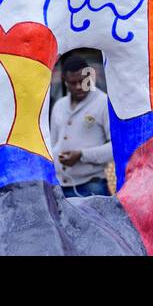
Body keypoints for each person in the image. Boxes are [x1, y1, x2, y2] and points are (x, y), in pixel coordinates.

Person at [48, 54, 113, 198]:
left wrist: (82, 155)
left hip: (92, 187)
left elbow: (116, 148)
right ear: (65, 81)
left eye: (83, 81)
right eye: (73, 83)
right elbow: (52, 144)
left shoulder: (104, 103)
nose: (79, 87)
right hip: (60, 187)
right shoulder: (59, 105)